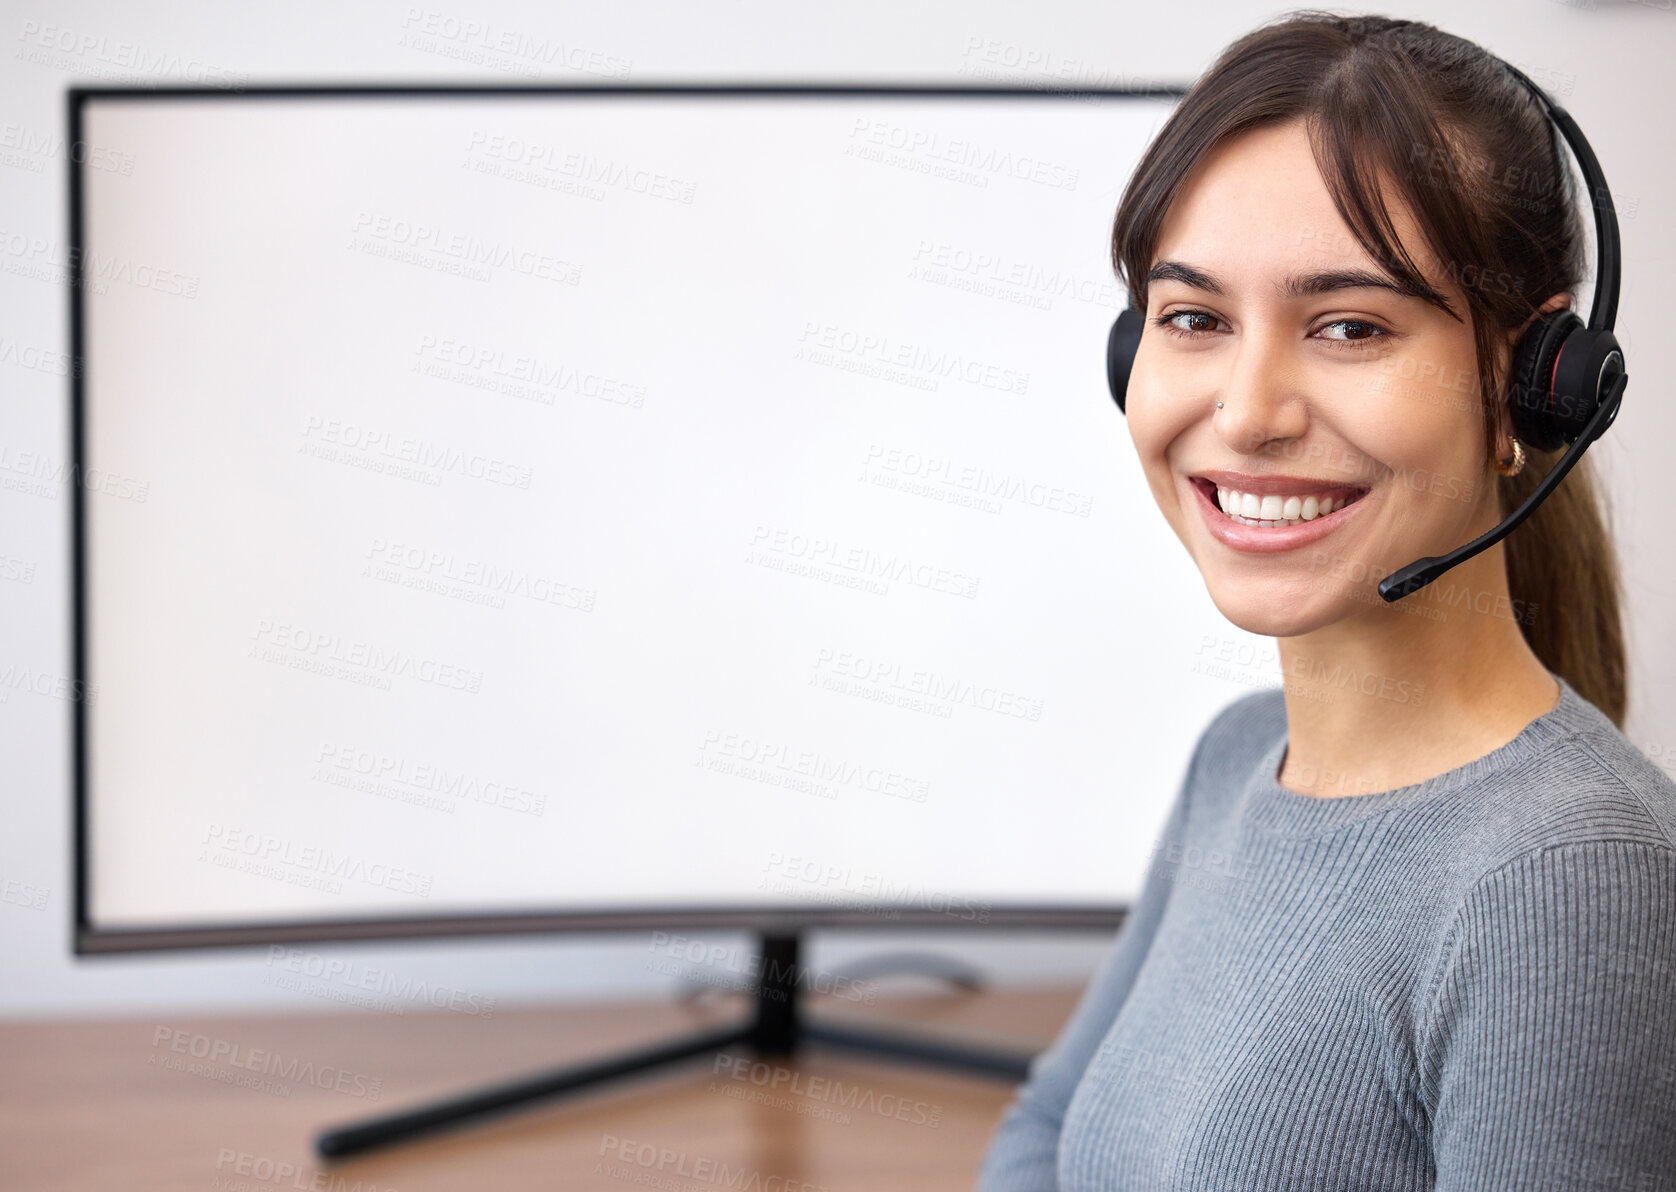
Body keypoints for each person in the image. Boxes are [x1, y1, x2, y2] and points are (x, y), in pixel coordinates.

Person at [975, 11, 1676, 1190]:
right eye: (1192, 317)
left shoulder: (1568, 876)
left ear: (1530, 387)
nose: (1247, 411)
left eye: (1347, 325)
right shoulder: (1236, 759)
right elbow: (1044, 1133)